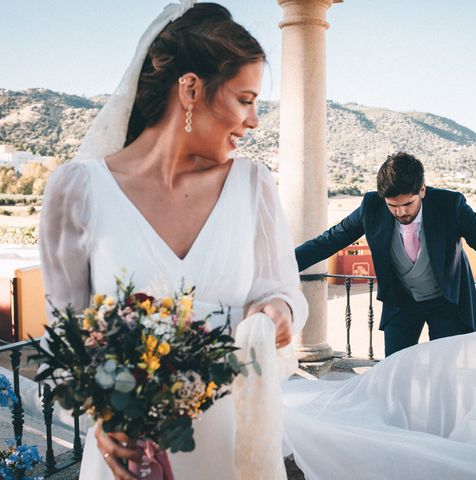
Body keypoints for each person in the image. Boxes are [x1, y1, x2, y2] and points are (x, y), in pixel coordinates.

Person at [38, 2, 307, 479]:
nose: (254, 120)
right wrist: (101, 419)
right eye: (245, 99)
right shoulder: (77, 189)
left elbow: (281, 291)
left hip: (229, 444)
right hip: (126, 454)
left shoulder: (253, 186)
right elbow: (68, 336)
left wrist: (279, 313)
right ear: (190, 88)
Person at [296, 152, 476, 356]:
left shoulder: (451, 205)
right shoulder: (371, 207)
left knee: (448, 373)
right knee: (395, 373)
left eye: (408, 204)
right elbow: (328, 241)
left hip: (447, 303)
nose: (401, 212)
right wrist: (279, 265)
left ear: (422, 190)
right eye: (393, 206)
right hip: (401, 303)